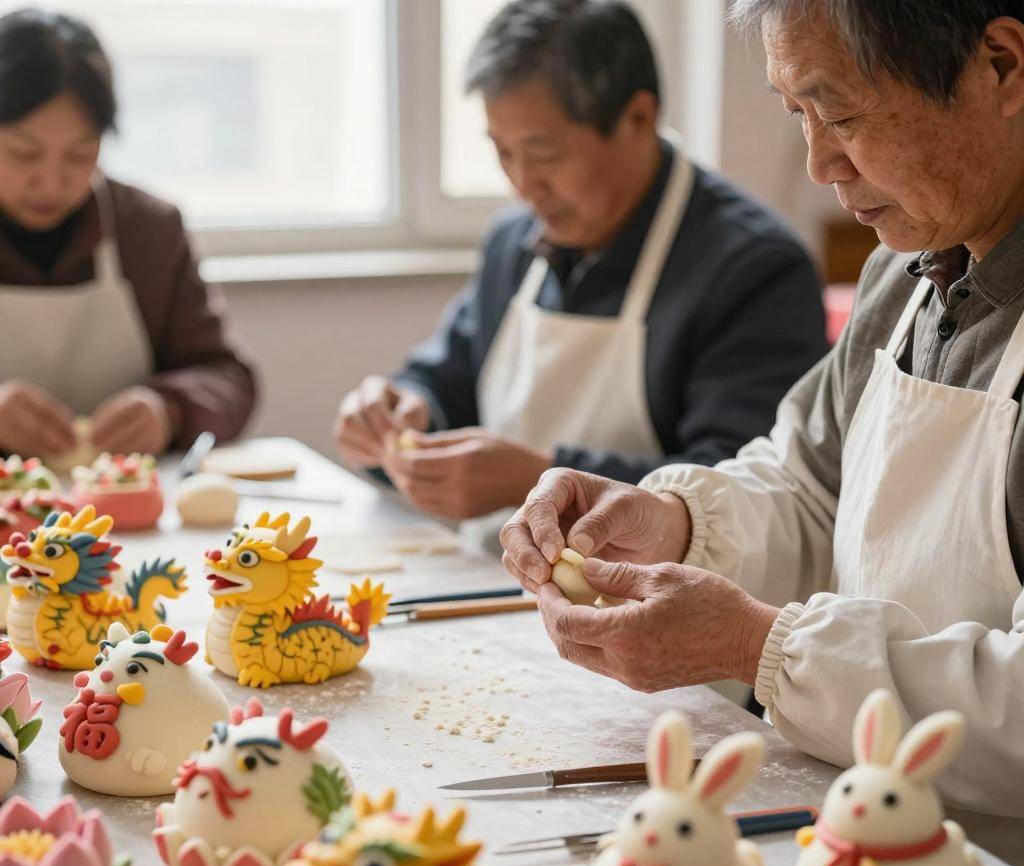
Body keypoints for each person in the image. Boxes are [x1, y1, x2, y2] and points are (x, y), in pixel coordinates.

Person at [501, 0, 1024, 817]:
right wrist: (669, 521)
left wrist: (758, 645)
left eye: (842, 114)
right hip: (866, 818)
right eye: (799, 115)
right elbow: (810, 487)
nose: (818, 164)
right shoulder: (911, 267)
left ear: (1001, 65)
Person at [334, 0, 826, 535]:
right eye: (502, 153)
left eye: (543, 154)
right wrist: (400, 412)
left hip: (647, 603)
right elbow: (444, 380)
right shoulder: (513, 243)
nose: (523, 184)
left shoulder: (753, 268)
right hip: (490, 575)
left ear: (638, 118)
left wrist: (539, 478)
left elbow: (745, 496)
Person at [0, 8, 257, 458]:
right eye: (24, 154)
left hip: (131, 514)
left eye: (80, 154)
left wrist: (169, 408)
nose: (51, 181)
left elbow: (227, 377)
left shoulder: (148, 231)